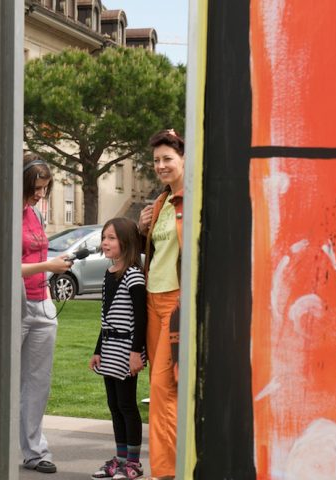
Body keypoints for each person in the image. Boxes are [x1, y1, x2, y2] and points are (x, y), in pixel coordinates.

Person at [137, 129, 185, 479]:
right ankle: (175, 464)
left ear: (184, 159)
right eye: (156, 160)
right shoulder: (160, 203)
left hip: (177, 302)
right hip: (152, 299)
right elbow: (156, 252)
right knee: (165, 388)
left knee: (163, 388)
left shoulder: (193, 199)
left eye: (168, 158)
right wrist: (143, 230)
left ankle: (166, 472)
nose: (161, 165)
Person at [21, 153, 72, 474]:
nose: (41, 194)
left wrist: (54, 272)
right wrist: (47, 265)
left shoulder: (37, 214)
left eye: (44, 188)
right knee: (3, 380)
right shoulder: (5, 214)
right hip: (15, 305)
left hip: (42, 304)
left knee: (38, 382)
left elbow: (39, 257)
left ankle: (35, 452)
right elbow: (4, 264)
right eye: (35, 188)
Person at [89, 217, 148, 480]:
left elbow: (141, 318)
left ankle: (133, 462)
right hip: (110, 349)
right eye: (104, 237)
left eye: (111, 238)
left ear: (126, 241)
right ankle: (120, 458)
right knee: (114, 405)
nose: (105, 242)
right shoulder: (109, 273)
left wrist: (136, 352)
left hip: (126, 350)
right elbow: (106, 317)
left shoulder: (133, 275)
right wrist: (97, 350)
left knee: (127, 405)